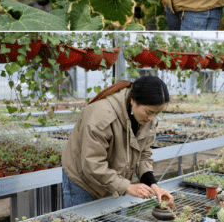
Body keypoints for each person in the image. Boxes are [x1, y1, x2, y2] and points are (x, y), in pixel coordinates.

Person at [62, 76, 174, 207]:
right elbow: (92, 164)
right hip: (83, 181)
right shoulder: (102, 116)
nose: (152, 118)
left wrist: (153, 185)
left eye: (157, 113)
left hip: (110, 179)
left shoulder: (145, 119)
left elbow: (143, 154)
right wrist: (127, 186)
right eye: (149, 112)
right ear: (133, 100)